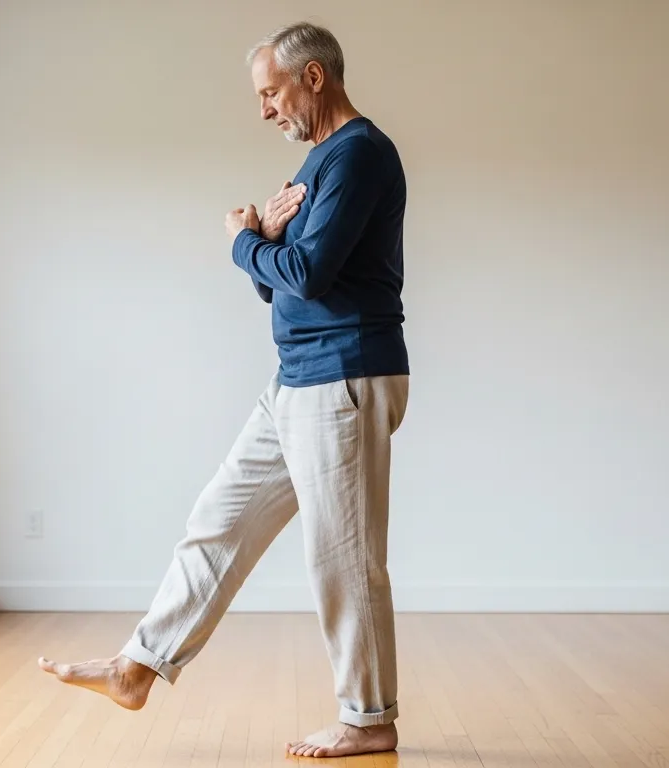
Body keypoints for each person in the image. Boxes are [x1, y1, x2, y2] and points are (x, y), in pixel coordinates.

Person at [39, 21, 409, 759]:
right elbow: (284, 288)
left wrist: (245, 239)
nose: (264, 109)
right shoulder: (318, 162)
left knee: (342, 558)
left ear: (312, 78)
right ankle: (138, 667)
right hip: (297, 377)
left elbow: (306, 275)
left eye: (270, 93)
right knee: (219, 520)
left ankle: (369, 717)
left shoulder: (359, 154)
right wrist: (265, 243)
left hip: (345, 374)